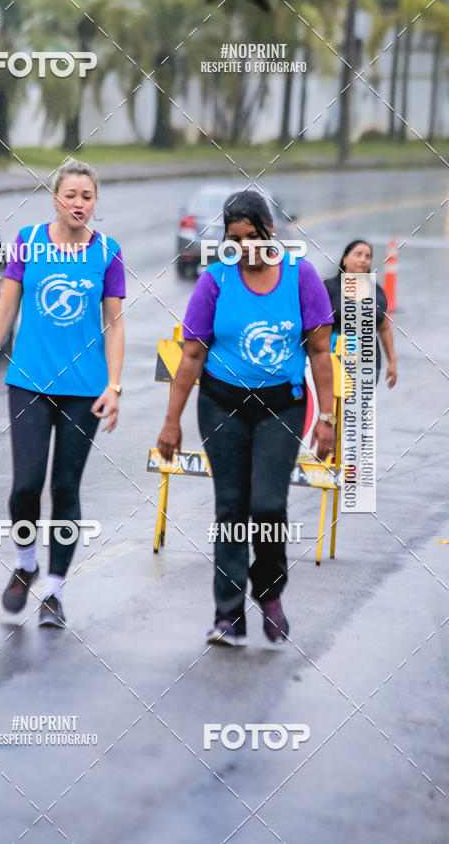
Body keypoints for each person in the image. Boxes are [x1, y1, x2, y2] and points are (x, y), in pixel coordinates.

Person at [156, 190, 335, 647]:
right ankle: (228, 616)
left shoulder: (302, 278)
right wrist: (171, 422)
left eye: (251, 238)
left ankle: (270, 593)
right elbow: (191, 357)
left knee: (268, 506)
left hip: (283, 406)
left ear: (269, 231)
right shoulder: (214, 281)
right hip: (221, 406)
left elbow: (319, 353)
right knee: (231, 507)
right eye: (234, 240)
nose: (244, 249)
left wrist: (327, 417)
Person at [0, 159, 125, 628]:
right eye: (71, 195)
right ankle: (26, 562)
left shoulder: (108, 253)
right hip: (28, 382)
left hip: (85, 390)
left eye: (87, 197)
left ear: (95, 203)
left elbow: (114, 325)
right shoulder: (29, 243)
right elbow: (5, 309)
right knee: (25, 486)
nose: (79, 204)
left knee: (65, 487)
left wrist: (114, 385)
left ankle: (54, 591)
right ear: (55, 198)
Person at [323, 239, 397, 387]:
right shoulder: (329, 288)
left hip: (369, 364)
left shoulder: (376, 291)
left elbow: (385, 328)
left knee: (360, 408)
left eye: (367, 256)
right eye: (358, 254)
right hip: (334, 361)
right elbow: (316, 326)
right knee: (336, 408)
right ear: (345, 259)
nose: (363, 259)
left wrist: (392, 363)